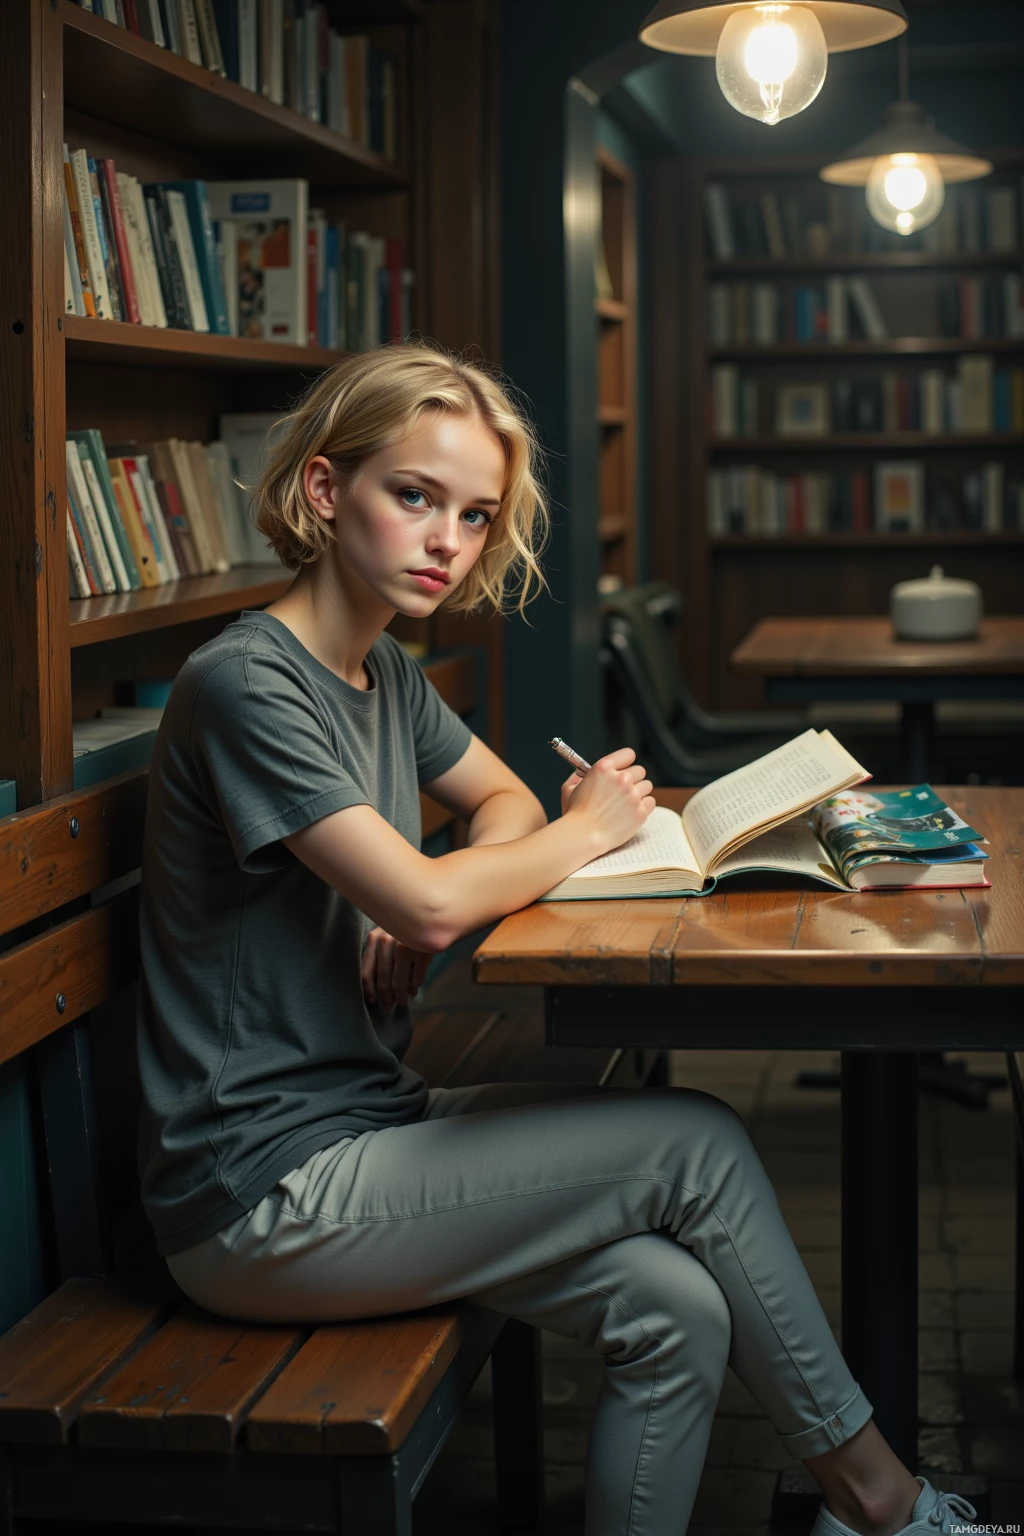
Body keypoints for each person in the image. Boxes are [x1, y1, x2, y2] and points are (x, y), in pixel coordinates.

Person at [137, 343, 975, 1536]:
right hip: (260, 1195)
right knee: (693, 1141)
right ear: (325, 491)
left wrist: (457, 884)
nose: (448, 541)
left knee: (675, 1310)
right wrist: (488, 877)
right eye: (414, 496)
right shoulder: (247, 685)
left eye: (474, 516)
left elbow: (502, 808)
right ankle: (883, 1508)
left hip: (363, 1127)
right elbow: (438, 896)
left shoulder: (381, 672)